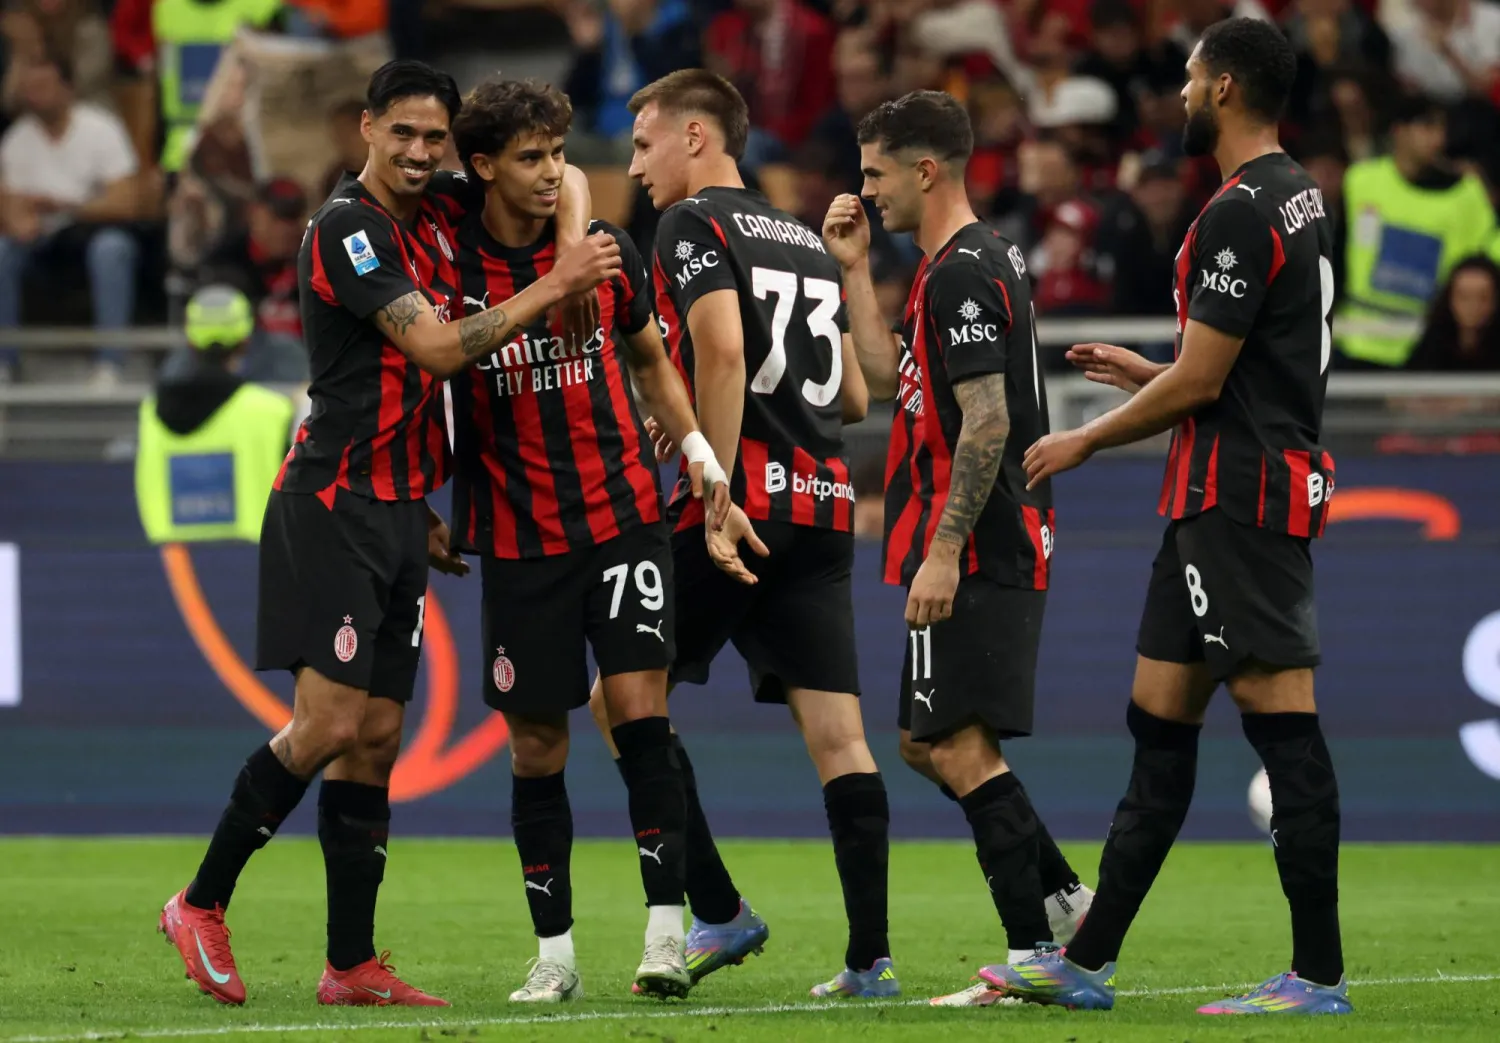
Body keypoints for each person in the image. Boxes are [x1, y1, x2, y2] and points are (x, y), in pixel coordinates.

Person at [157, 59, 618, 1008]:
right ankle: (200, 901)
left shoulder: (441, 207)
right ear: (364, 127)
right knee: (327, 723)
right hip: (333, 505)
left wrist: (569, 226)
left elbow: (561, 173)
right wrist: (558, 283)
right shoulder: (349, 231)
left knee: (375, 741)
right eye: (400, 132)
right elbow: (439, 348)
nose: (417, 152)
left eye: (434, 138)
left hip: (403, 511)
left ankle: (351, 962)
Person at [983, 19, 1351, 1016]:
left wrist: (1086, 437)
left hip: (1245, 498)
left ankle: (1317, 974)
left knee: (1285, 731)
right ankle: (1088, 959)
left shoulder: (1244, 208)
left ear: (1225, 86)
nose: (1180, 95)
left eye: (1191, 79)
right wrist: (1159, 374)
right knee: (1159, 728)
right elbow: (1236, 365)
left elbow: (1207, 377)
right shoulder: (1300, 193)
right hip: (1207, 495)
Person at [591, 68, 899, 1001]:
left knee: (621, 699)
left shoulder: (692, 225)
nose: (634, 165)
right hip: (821, 505)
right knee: (842, 737)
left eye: (643, 144)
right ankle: (868, 961)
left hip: (740, 505)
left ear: (696, 137)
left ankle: (718, 909)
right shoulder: (801, 235)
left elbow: (724, 348)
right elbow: (850, 395)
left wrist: (712, 482)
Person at [447, 76, 727, 1002]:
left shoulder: (606, 250)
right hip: (519, 538)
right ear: (482, 165)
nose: (551, 172)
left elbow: (649, 356)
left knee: (642, 715)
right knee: (537, 748)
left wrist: (692, 447)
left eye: (558, 154)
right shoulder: (450, 262)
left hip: (621, 519)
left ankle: (664, 934)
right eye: (529, 157)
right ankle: (556, 954)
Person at [824, 90, 1091, 1008]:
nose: (866, 193)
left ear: (925, 169)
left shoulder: (968, 269)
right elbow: (882, 373)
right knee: (919, 740)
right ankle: (1061, 901)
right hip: (976, 541)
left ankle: (1036, 956)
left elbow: (988, 421)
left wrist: (943, 551)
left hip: (980, 545)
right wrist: (854, 270)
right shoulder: (957, 265)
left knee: (958, 744)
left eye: (875, 173)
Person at [135, 284, 294, 545]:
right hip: (251, 566)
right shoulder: (273, 411)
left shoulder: (150, 410)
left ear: (190, 338)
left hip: (175, 570)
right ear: (246, 339)